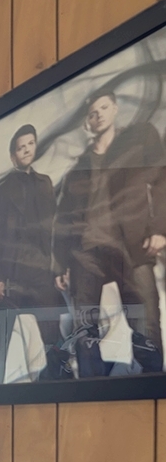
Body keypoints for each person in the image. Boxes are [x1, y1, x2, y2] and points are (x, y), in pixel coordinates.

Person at [53, 89, 166, 372]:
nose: (99, 114)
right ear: (87, 123)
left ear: (115, 109)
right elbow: (63, 220)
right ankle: (92, 393)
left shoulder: (138, 141)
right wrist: (61, 264)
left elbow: (162, 179)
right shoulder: (77, 170)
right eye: (93, 112)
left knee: (146, 324)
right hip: (86, 255)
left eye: (104, 107)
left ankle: (155, 386)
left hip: (131, 246)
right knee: (86, 333)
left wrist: (159, 228)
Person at [0, 124, 62, 383]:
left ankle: (54, 389)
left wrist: (58, 269)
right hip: (11, 275)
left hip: (41, 273)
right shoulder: (1, 192)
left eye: (30, 144)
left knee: (54, 339)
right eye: (21, 147)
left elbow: (54, 231)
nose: (26, 149)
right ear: (12, 155)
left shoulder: (45, 184)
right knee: (1, 339)